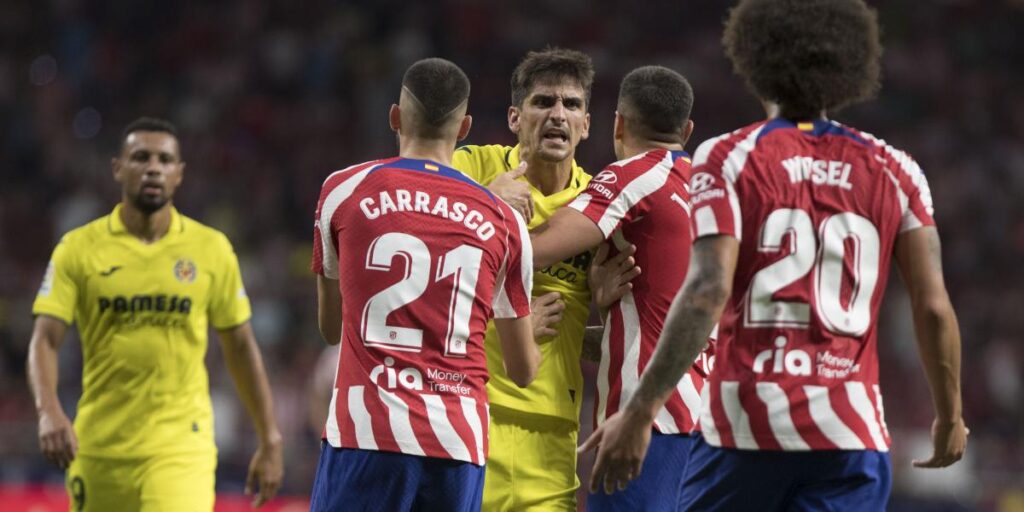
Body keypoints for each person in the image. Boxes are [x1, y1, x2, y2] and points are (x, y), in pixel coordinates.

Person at [583, 1, 968, 510]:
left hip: (748, 429)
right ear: (847, 69)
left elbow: (705, 292)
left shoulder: (727, 158)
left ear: (755, 64)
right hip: (850, 435)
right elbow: (934, 307)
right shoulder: (896, 170)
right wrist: (950, 415)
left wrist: (639, 411)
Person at [308, 58, 540, 512]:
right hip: (455, 442)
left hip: (365, 431)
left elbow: (331, 329)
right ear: (466, 127)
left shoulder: (343, 189)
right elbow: (523, 370)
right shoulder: (503, 219)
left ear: (394, 116)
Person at [27, 117, 283, 511]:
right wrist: (48, 413)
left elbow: (241, 347)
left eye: (165, 160)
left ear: (179, 174)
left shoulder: (210, 250)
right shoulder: (78, 249)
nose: (153, 167)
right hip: (98, 448)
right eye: (140, 157)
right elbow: (45, 338)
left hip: (181, 449)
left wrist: (270, 439)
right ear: (117, 167)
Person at [531, 65, 714, 511]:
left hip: (649, 424)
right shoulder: (715, 191)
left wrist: (485, 205)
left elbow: (532, 251)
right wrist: (593, 318)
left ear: (617, 124)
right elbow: (665, 316)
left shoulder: (631, 177)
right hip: (715, 428)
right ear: (686, 130)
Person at [451, 47, 596, 511]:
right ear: (515, 117)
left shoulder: (601, 202)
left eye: (571, 105)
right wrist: (483, 199)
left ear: (587, 124)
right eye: (543, 102)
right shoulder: (472, 168)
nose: (558, 115)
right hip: (469, 410)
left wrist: (610, 309)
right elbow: (414, 215)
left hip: (553, 430)